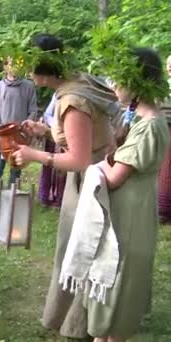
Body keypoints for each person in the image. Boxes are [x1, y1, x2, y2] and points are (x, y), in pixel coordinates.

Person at [11, 34, 120, 339]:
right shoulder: (76, 83)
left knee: (82, 250)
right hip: (94, 177)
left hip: (91, 184)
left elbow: (78, 158)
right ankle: (74, 319)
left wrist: (33, 154)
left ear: (42, 69)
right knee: (76, 249)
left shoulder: (72, 100)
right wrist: (46, 131)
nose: (26, 72)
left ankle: (81, 323)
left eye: (28, 65)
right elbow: (80, 137)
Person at [77, 47, 169, 342]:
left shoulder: (150, 126)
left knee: (119, 279)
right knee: (111, 275)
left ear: (138, 80)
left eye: (119, 79)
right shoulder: (139, 119)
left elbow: (115, 177)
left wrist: (96, 164)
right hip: (124, 212)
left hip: (131, 216)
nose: (113, 84)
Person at [0, 57, 38, 207]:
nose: (14, 67)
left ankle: (10, 202)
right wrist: (0, 129)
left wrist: (24, 129)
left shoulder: (28, 86)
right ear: (5, 66)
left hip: (19, 138)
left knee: (15, 172)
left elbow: (33, 110)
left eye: (17, 64)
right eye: (11, 63)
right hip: (1, 138)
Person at [38, 94, 66, 207]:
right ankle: (45, 197)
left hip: (66, 136)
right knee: (49, 166)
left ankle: (59, 199)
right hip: (53, 133)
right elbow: (47, 114)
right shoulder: (57, 95)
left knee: (63, 168)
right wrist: (56, 125)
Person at [157, 55, 171, 223]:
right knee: (165, 167)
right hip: (164, 127)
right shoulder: (162, 86)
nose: (170, 67)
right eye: (168, 64)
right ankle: (163, 210)